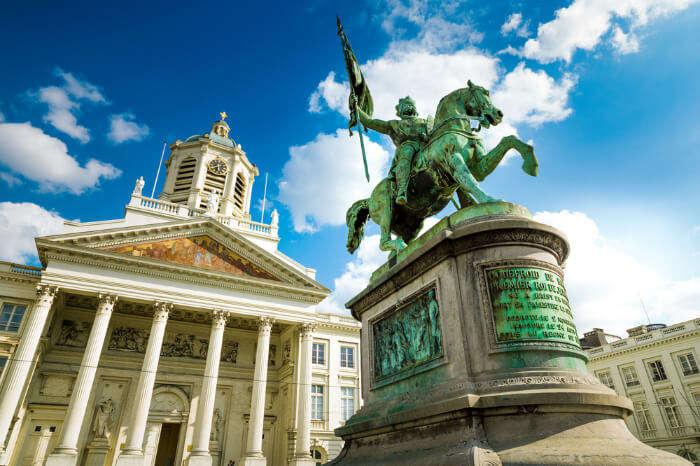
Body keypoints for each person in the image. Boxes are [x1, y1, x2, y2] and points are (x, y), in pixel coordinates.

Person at [352, 94, 428, 205]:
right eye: (406, 105)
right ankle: (402, 190)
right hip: (407, 147)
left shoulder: (425, 122)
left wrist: (426, 137)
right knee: (406, 154)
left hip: (425, 145)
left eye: (410, 105)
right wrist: (357, 109)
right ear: (401, 111)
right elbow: (371, 122)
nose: (409, 107)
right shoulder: (394, 124)